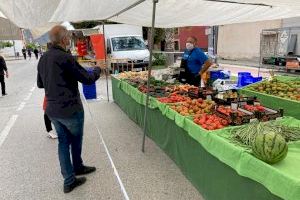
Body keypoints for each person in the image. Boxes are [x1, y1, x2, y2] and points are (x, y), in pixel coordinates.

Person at [37, 25, 102, 193]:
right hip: (70, 109)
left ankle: (69, 179)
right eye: (68, 38)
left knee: (63, 143)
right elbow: (87, 78)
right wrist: (97, 69)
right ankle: (77, 168)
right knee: (75, 141)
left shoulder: (43, 58)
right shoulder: (66, 57)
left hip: (52, 110)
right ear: (65, 39)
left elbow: (40, 84)